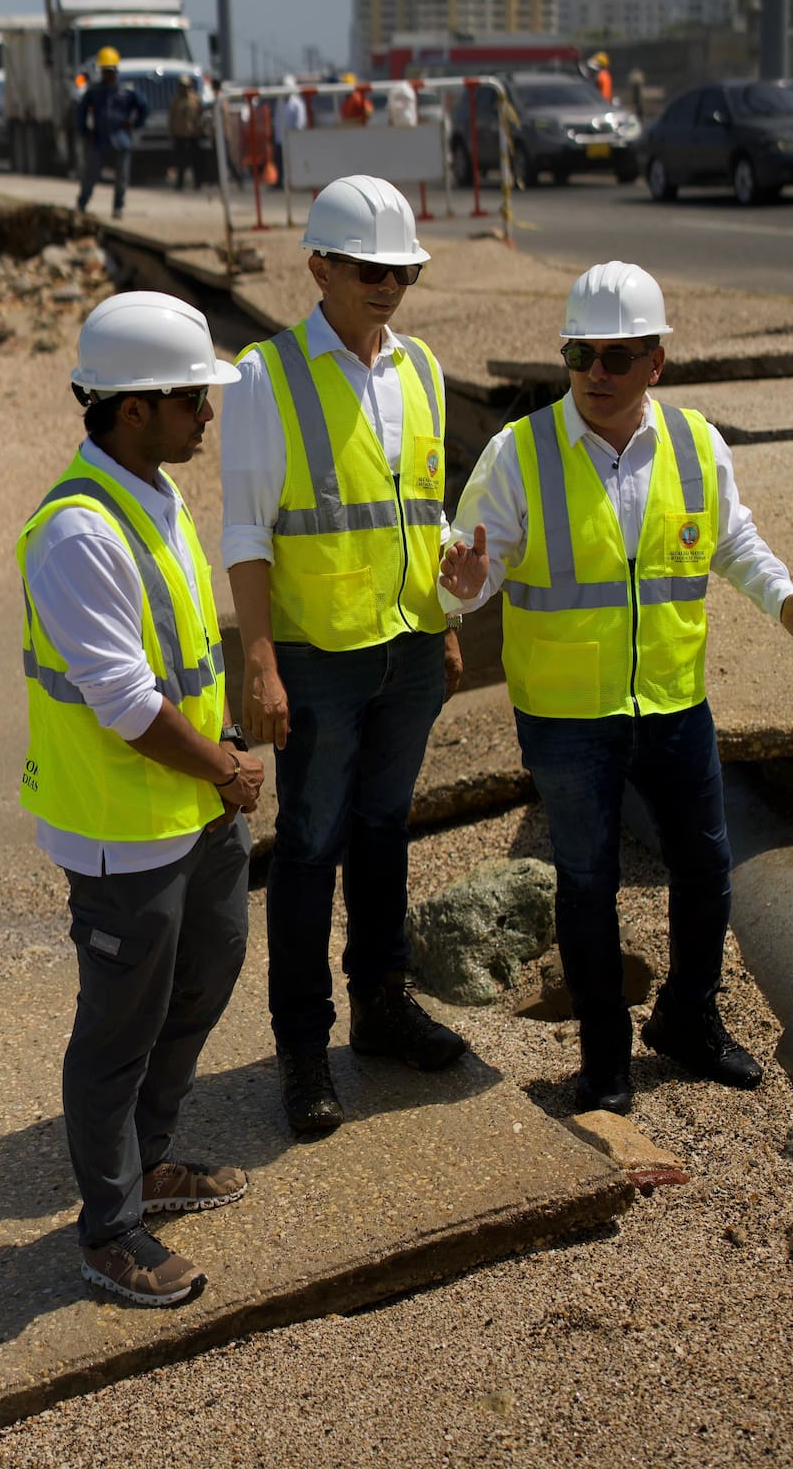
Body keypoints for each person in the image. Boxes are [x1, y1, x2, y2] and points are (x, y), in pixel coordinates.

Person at [438, 261, 793, 1116]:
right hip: (566, 714)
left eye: (618, 356)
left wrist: (785, 602)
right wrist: (462, 586)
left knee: (706, 865)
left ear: (656, 361)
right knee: (587, 881)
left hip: (672, 700)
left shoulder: (696, 444)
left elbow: (733, 541)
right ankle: (604, 1058)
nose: (597, 372)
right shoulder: (520, 453)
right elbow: (469, 570)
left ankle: (688, 1018)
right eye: (580, 354)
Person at [17, 291, 265, 1307]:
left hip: (194, 807)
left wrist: (226, 747)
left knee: (207, 974)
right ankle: (111, 1230)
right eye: (192, 398)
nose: (208, 413)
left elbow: (186, 654)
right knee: (117, 1032)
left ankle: (147, 1160)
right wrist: (225, 768)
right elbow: (125, 703)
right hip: (122, 829)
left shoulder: (154, 493)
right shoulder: (77, 533)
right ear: (131, 409)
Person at [220, 173, 467, 1139]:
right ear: (318, 267)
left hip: (410, 645)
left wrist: (447, 622)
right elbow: (247, 531)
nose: (388, 286)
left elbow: (425, 513)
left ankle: (381, 1007)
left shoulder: (422, 369)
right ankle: (303, 1047)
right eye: (370, 269)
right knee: (310, 846)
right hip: (319, 655)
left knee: (383, 830)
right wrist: (261, 661)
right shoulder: (266, 377)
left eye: (403, 271)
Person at [75, 47, 148, 220]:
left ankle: (118, 207)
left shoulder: (127, 90)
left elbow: (144, 107)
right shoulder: (94, 91)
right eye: (105, 71)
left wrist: (134, 124)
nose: (108, 75)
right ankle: (82, 204)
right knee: (90, 175)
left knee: (122, 177)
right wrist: (85, 131)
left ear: (116, 71)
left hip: (121, 139)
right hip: (99, 139)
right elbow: (81, 112)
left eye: (111, 71)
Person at [168, 73, 205, 192]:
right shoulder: (175, 100)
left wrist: (201, 129)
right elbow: (171, 117)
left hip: (193, 133)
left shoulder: (195, 99)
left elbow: (201, 115)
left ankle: (198, 182)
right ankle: (180, 183)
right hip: (180, 134)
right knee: (180, 160)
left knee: (196, 160)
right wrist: (172, 132)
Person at [275, 73, 307, 185]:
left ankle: (296, 182)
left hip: (292, 139)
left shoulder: (297, 104)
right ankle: (280, 182)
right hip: (280, 138)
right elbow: (277, 120)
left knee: (293, 162)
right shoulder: (279, 102)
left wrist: (296, 136)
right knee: (279, 161)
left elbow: (300, 123)